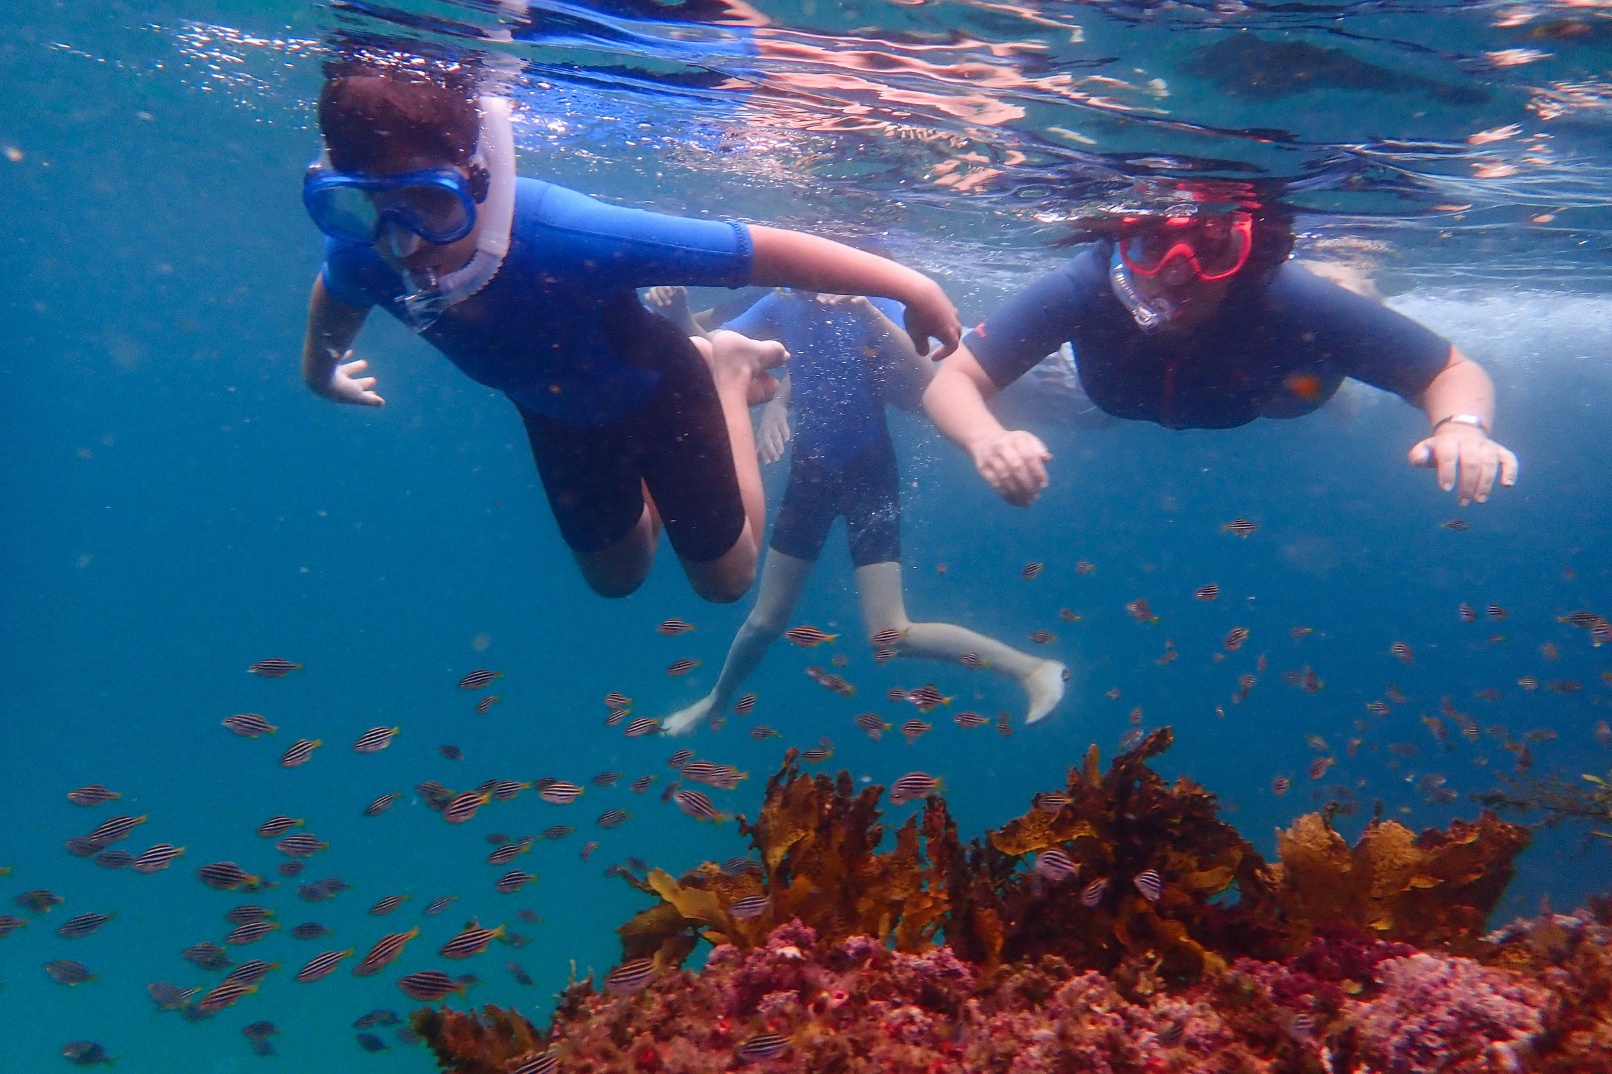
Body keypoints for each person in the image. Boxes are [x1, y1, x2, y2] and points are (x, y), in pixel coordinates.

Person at [298, 60, 960, 602]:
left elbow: (758, 250)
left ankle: (726, 369)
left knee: (725, 584)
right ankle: (645, 473)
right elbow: (339, 289)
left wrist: (913, 287)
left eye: (432, 205)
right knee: (616, 580)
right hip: (555, 412)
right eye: (362, 207)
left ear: (478, 179)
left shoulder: (564, 234)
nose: (405, 243)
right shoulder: (363, 252)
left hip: (661, 391)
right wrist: (320, 368)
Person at [649, 282, 1068, 736]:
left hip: (868, 474)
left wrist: (869, 313)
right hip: (810, 476)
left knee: (890, 631)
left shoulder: (875, 301)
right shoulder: (782, 301)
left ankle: (1030, 669)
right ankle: (716, 701)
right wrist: (681, 315)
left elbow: (929, 377)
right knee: (765, 620)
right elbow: (718, 351)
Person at [923, 201, 1519, 508]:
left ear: (1245, 254)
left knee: (1327, 345)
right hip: (1118, 395)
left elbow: (1449, 370)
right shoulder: (1083, 287)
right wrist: (987, 439)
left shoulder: (1287, 299)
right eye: (1154, 246)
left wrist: (1461, 426)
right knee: (1077, 401)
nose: (1177, 277)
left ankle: (1353, 286)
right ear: (1123, 241)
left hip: (1280, 393)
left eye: (1211, 251)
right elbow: (953, 381)